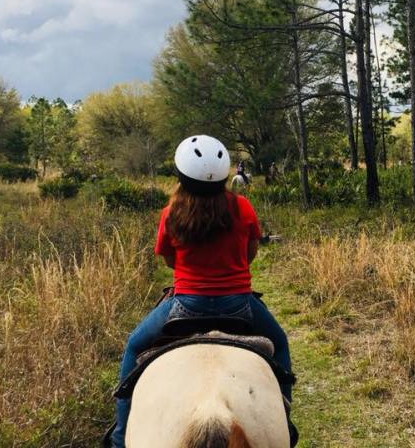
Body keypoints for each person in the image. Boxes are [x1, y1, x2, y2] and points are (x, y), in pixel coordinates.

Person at [110, 135, 296, 447]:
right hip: (240, 304)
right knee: (280, 342)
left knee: (133, 347)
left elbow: (169, 258)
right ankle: (286, 424)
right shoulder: (243, 207)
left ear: (181, 175)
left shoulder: (171, 213)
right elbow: (251, 252)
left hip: (184, 304)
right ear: (224, 173)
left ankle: (119, 436)